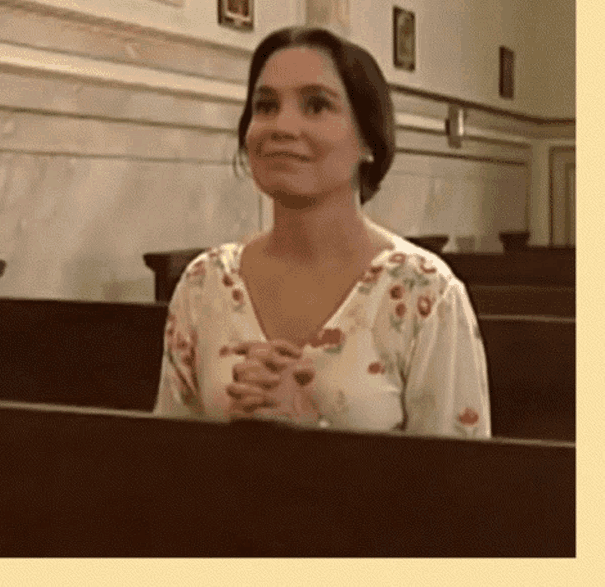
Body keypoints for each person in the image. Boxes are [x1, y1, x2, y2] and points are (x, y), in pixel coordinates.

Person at [154, 26, 491, 438]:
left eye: (315, 106)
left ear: (369, 140)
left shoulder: (425, 294)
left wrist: (313, 429)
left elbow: (457, 491)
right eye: (265, 106)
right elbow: (166, 465)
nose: (282, 125)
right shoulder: (204, 285)